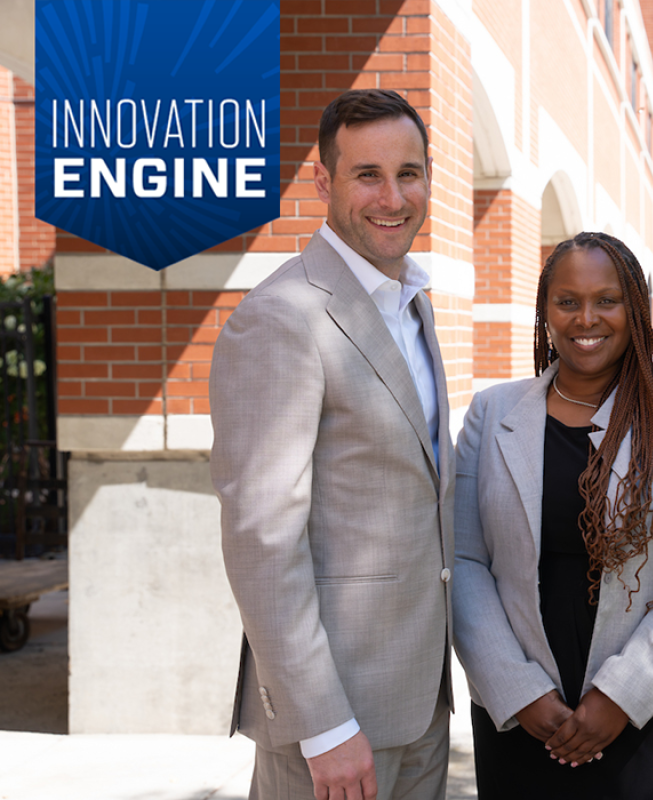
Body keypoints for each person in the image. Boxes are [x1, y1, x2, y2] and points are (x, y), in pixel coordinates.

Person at [210, 89, 454, 800]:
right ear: (324, 182)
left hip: (420, 702)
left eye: (408, 173)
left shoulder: (413, 303)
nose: (392, 196)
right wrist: (322, 725)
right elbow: (262, 537)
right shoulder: (281, 319)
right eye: (367, 174)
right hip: (337, 726)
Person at [453, 232, 653, 800]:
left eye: (607, 300)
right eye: (568, 301)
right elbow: (464, 560)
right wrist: (518, 691)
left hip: (648, 716)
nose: (587, 317)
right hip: (520, 718)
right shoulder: (493, 414)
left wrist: (619, 696)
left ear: (635, 308)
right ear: (546, 310)